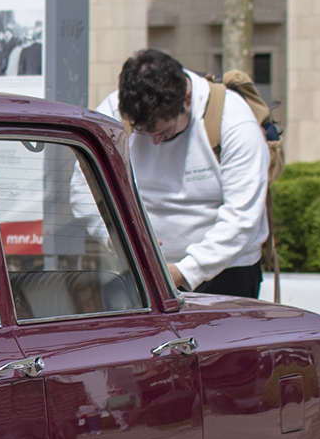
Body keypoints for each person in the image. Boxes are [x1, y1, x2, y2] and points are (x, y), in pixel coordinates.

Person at [97, 49, 270, 297]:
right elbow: (83, 186)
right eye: (143, 133)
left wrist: (184, 271)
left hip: (226, 271)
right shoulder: (114, 114)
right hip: (139, 269)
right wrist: (114, 235)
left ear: (186, 98)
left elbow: (242, 217)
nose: (155, 143)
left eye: (164, 132)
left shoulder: (233, 123)